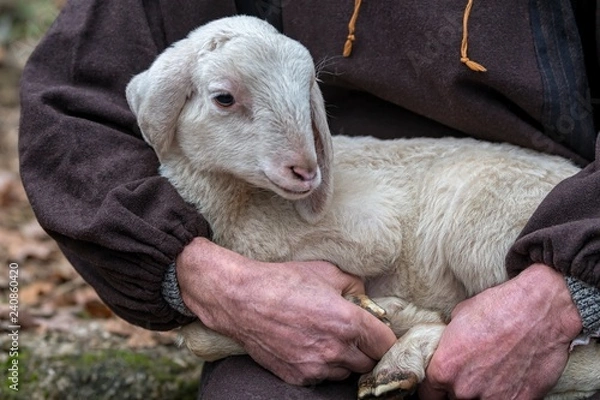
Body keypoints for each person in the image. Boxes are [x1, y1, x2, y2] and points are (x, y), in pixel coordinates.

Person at [19, 0, 599, 399]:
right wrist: (204, 278)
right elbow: (71, 101)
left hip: (551, 235)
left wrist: (564, 292)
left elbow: (376, 237)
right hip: (304, 287)